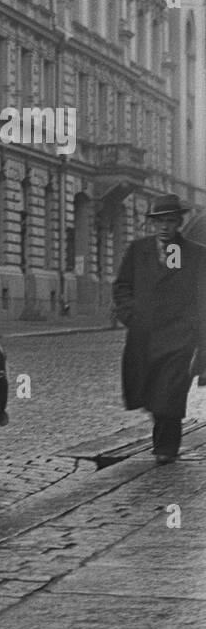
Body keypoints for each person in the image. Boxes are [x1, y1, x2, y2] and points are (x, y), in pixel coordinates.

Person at [112, 194, 206, 463]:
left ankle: (166, 448)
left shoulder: (196, 254)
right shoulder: (137, 250)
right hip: (145, 337)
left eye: (171, 221)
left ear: (179, 222)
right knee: (152, 393)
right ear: (153, 224)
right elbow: (122, 286)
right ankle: (162, 438)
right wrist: (131, 315)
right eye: (160, 222)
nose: (165, 227)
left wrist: (201, 340)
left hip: (180, 338)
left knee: (171, 392)